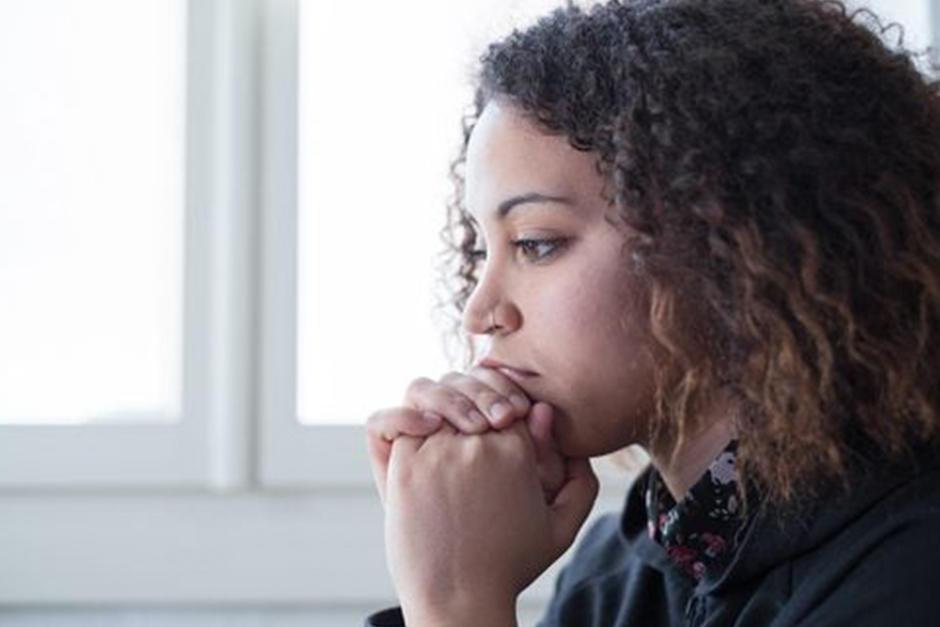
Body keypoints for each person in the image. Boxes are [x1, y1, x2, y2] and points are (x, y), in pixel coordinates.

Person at [364, 0, 940, 625]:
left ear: (728, 242)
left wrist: (454, 602)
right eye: (481, 248)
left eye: (535, 243)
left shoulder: (914, 571)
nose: (481, 312)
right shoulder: (612, 577)